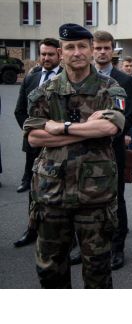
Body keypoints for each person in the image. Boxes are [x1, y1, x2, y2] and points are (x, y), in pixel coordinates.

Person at [22, 23, 126, 288]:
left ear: (91, 50)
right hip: (51, 194)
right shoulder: (46, 90)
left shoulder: (109, 88)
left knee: (97, 271)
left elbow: (110, 127)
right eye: (70, 47)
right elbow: (34, 137)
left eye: (82, 46)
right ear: (61, 52)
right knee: (50, 270)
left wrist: (61, 127)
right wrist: (87, 131)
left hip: (95, 196)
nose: (76, 52)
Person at [88, 30, 132, 271]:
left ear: (112, 49)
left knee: (116, 199)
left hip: (111, 150)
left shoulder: (124, 80)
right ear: (91, 50)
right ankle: (86, 244)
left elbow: (126, 117)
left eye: (106, 48)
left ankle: (117, 247)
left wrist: (93, 125)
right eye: (97, 48)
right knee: (85, 200)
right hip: (84, 152)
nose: (102, 52)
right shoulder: (81, 77)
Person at [13, 38, 62, 248]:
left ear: (59, 54)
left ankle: (66, 237)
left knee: (62, 190)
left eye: (50, 54)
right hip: (34, 146)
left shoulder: (67, 78)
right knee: (34, 191)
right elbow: (19, 110)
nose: (46, 58)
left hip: (61, 146)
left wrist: (54, 136)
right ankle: (32, 229)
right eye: (43, 54)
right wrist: (34, 133)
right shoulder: (31, 79)